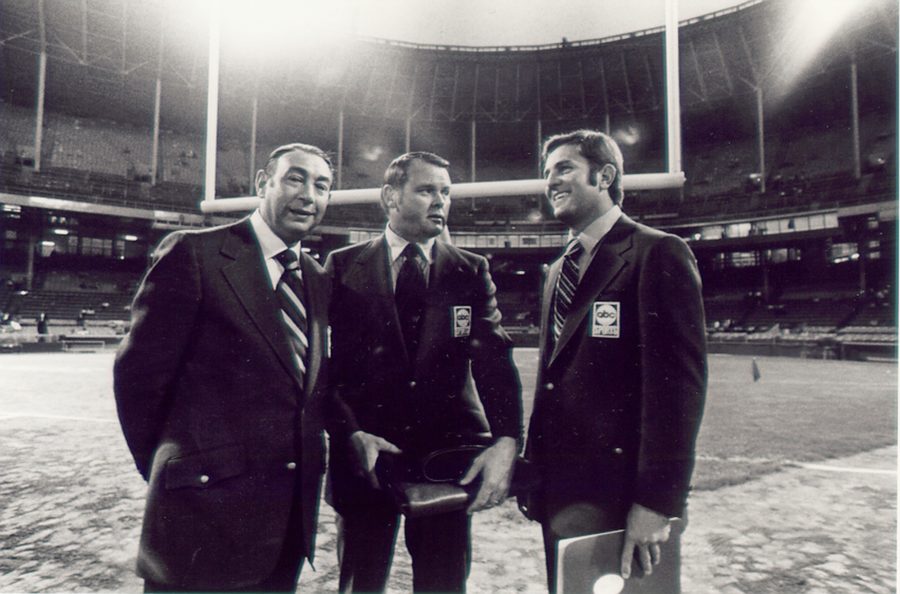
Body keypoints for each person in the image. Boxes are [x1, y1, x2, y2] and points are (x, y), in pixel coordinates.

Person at [114, 143, 335, 593]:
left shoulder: (315, 276)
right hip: (201, 514)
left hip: (285, 525)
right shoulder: (196, 253)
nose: (309, 194)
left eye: (322, 185)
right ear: (261, 183)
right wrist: (172, 468)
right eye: (295, 178)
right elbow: (139, 378)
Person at [325, 151, 523, 593]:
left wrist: (507, 438)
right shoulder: (341, 266)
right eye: (426, 190)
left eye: (445, 192)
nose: (441, 201)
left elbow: (493, 359)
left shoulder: (470, 270)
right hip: (368, 457)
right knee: (361, 584)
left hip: (445, 461)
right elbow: (324, 370)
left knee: (443, 585)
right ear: (390, 197)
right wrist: (349, 433)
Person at [521, 130, 707, 592]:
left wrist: (657, 502)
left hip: (623, 495)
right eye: (547, 173)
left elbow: (679, 389)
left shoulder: (656, 252)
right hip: (560, 492)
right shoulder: (558, 269)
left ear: (604, 175)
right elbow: (551, 381)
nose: (551, 181)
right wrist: (533, 471)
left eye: (563, 168)